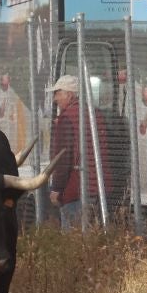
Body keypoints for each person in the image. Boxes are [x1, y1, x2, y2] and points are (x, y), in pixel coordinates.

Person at [47, 73, 106, 228]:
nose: (55, 99)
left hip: (73, 189)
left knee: (71, 237)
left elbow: (63, 159)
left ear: (70, 95)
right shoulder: (95, 114)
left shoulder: (66, 119)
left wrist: (57, 188)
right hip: (97, 188)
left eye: (58, 94)